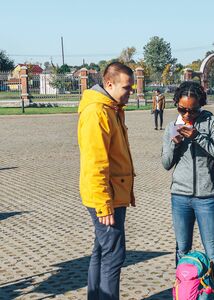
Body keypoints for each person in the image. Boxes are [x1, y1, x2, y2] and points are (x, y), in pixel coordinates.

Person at [161, 81, 214, 299]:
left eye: (193, 109)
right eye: (182, 109)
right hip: (180, 196)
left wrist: (197, 137)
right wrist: (175, 142)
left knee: (213, 251)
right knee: (182, 249)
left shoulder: (213, 123)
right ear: (177, 105)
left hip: (206, 197)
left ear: (201, 105)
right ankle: (184, 294)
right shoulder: (172, 125)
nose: (187, 114)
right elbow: (166, 163)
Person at [78, 62, 135, 300]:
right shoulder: (97, 112)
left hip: (114, 192)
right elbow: (95, 162)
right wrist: (103, 204)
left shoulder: (111, 107)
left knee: (102, 251)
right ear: (109, 83)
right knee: (113, 254)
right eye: (126, 87)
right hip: (106, 196)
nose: (130, 92)